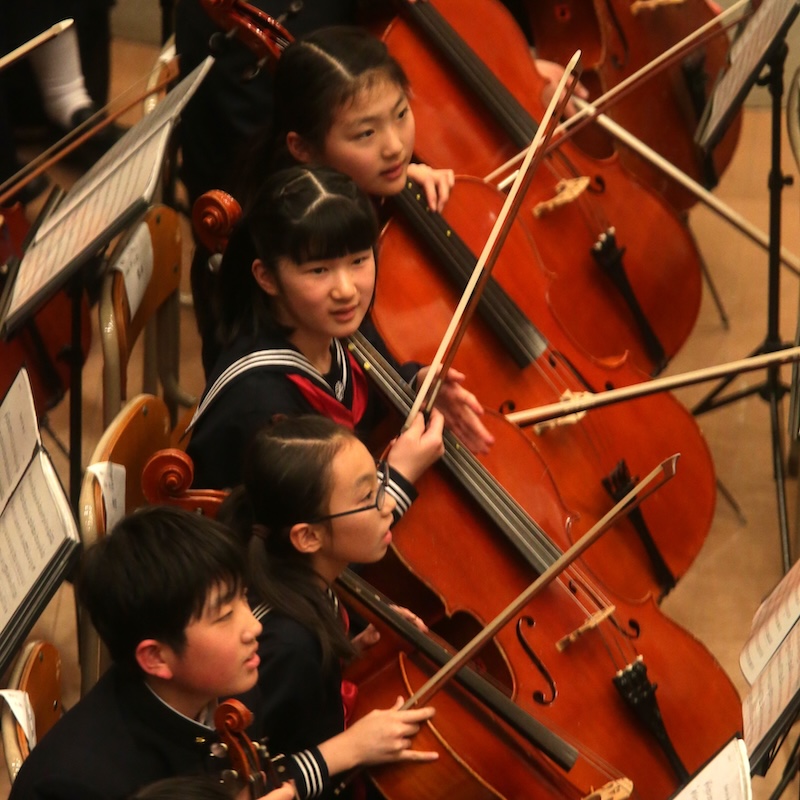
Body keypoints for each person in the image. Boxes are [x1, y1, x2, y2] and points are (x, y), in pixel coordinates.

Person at [185, 165, 492, 493]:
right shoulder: (260, 405)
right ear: (267, 277)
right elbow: (305, 534)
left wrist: (413, 384)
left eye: (359, 260)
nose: (346, 290)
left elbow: (370, 406)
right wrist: (397, 480)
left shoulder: (339, 335)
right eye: (319, 270)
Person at [8, 506, 303, 800]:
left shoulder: (231, 695)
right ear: (156, 657)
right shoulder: (76, 786)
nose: (254, 626)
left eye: (243, 596)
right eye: (225, 615)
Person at [221, 415, 439, 798]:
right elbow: (249, 783)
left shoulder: (302, 579)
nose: (386, 505)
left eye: (379, 482)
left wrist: (352, 655)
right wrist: (351, 747)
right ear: (307, 537)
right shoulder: (286, 644)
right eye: (366, 497)